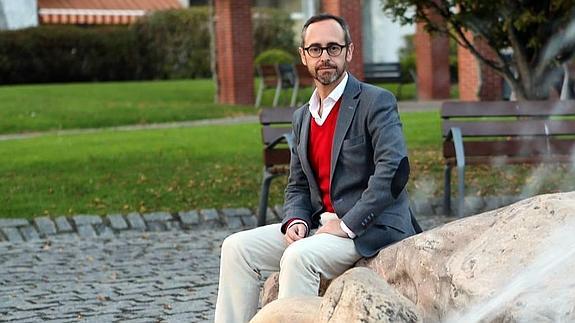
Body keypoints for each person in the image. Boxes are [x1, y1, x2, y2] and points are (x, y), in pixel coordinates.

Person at [214, 13, 419, 323]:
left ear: (349, 52)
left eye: (333, 48)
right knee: (236, 248)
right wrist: (294, 219)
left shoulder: (376, 102)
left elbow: (394, 170)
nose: (325, 57)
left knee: (298, 257)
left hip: (368, 229)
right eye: (316, 49)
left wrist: (348, 224)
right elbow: (297, 185)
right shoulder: (303, 116)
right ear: (304, 55)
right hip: (318, 226)